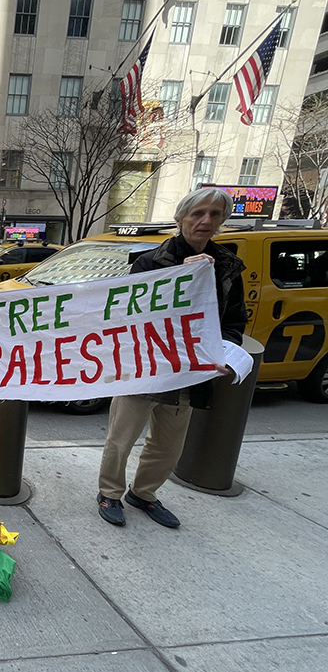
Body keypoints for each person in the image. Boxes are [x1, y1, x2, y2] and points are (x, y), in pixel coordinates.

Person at [96, 187, 245, 529]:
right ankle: (110, 492)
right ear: (181, 220)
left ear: (222, 221)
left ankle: (144, 493)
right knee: (121, 439)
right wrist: (179, 278)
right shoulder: (150, 262)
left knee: (168, 445)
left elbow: (234, 320)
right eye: (197, 214)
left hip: (189, 373)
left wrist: (225, 352)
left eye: (214, 215)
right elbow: (128, 315)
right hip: (145, 369)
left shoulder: (227, 267)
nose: (205, 221)